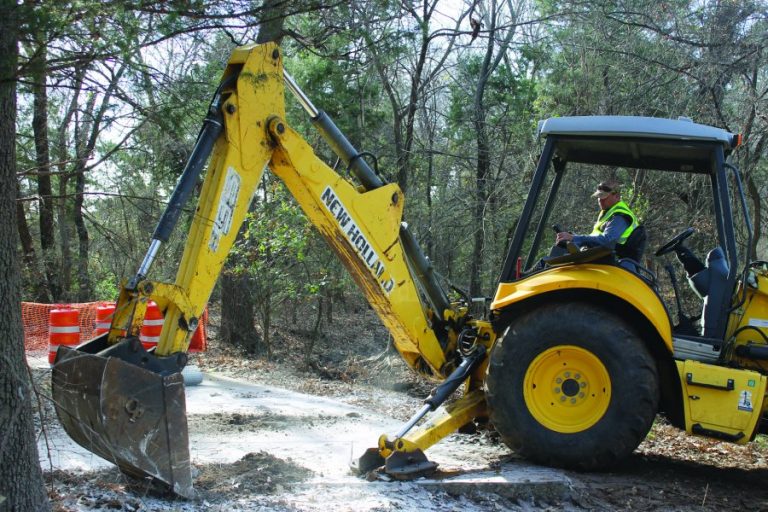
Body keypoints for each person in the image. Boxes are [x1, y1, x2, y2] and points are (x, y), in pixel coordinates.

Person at [553, 179, 639, 256]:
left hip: (614, 262)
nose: (600, 200)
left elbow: (607, 241)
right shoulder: (607, 213)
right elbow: (595, 238)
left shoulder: (620, 216)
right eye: (598, 197)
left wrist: (574, 238)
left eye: (604, 197)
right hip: (601, 258)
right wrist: (573, 239)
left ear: (616, 196)